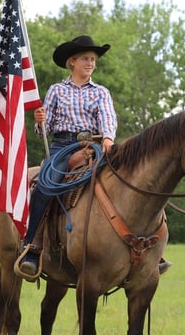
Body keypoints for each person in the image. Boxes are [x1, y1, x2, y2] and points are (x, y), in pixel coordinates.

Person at [15, 34, 171, 280]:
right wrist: (40, 123)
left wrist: (108, 138)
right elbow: (44, 130)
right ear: (72, 62)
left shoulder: (101, 92)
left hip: (95, 146)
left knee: (134, 180)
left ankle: (152, 251)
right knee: (45, 185)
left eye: (93, 59)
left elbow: (108, 119)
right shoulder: (57, 90)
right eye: (86, 59)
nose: (91, 63)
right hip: (63, 146)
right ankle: (33, 246)